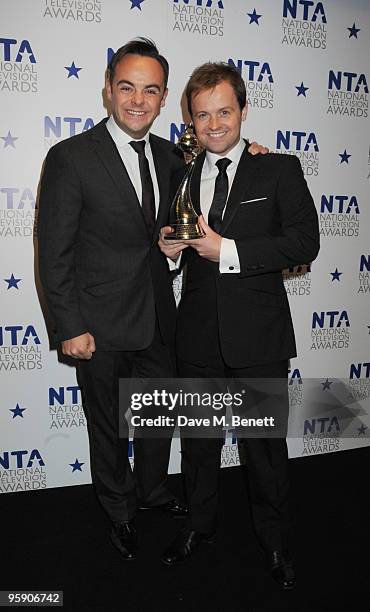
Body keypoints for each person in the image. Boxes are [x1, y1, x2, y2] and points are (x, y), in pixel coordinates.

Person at [37, 40, 267, 562]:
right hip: (98, 323)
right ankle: (119, 511)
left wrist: (254, 154)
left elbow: (220, 164)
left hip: (163, 317)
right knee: (110, 426)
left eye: (150, 89)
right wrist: (69, 325)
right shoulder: (71, 157)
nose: (138, 100)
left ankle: (153, 491)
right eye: (127, 87)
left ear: (164, 99)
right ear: (108, 92)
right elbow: (53, 254)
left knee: (159, 416)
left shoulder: (174, 157)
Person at [159, 62, 320, 589]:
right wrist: (170, 252)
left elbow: (303, 244)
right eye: (202, 115)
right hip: (198, 335)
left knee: (264, 451)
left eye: (223, 111)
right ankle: (200, 528)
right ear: (192, 119)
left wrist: (226, 249)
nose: (213, 124)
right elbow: (177, 250)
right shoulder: (182, 174)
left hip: (258, 337)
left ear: (243, 111)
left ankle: (275, 541)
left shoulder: (278, 169)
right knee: (200, 444)